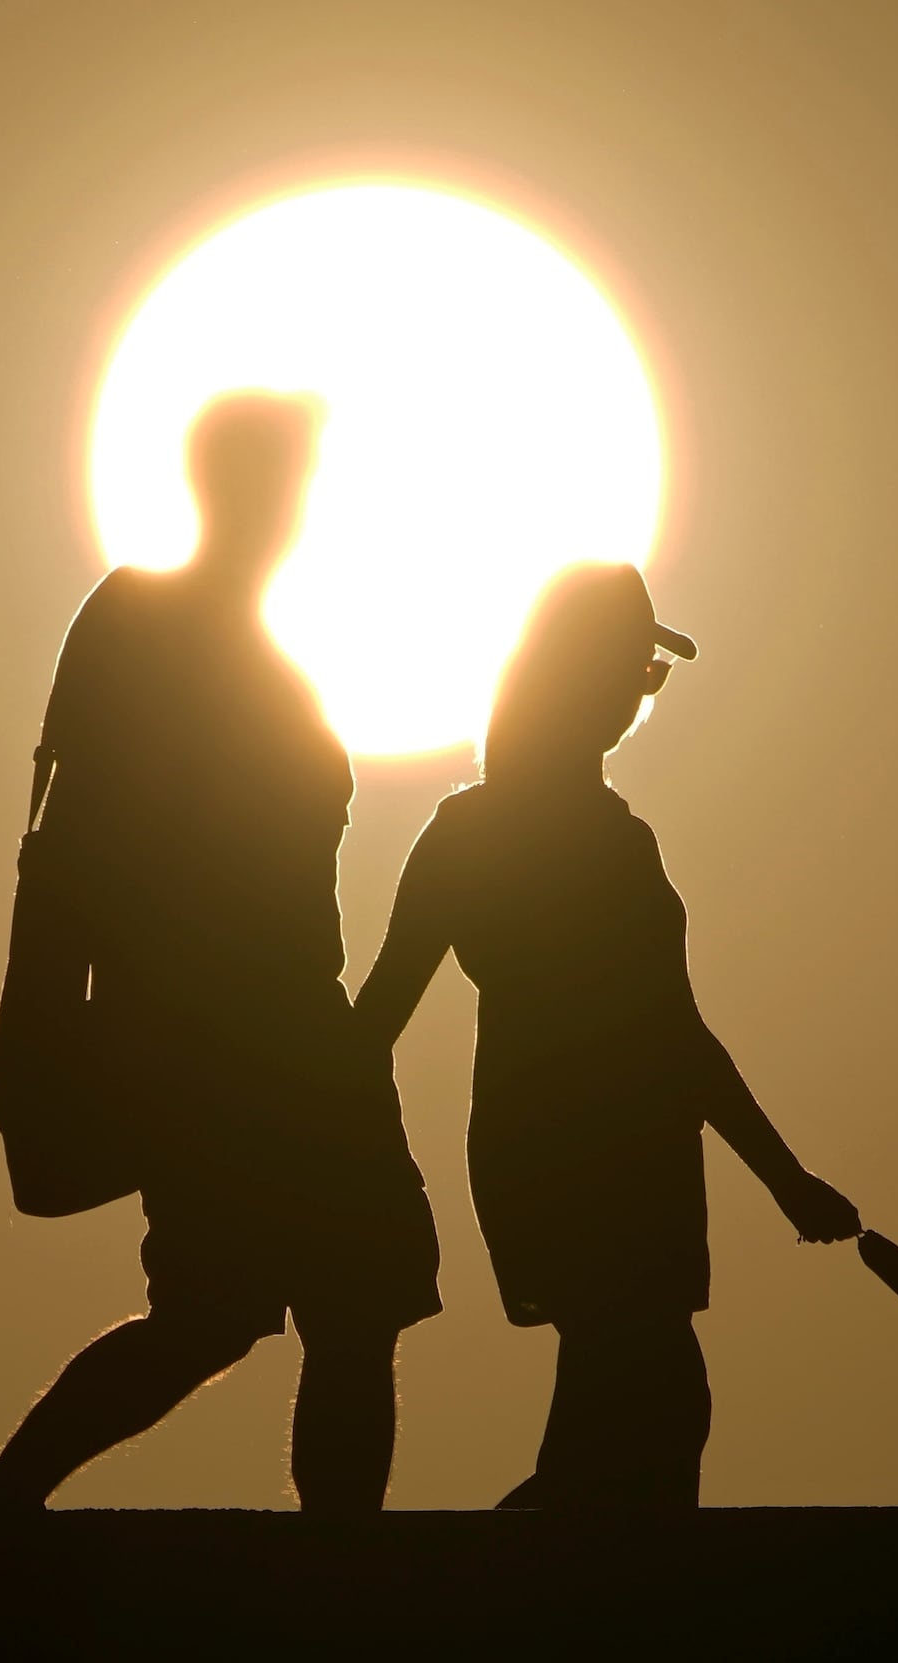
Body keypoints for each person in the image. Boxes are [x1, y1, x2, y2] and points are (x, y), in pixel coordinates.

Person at [0, 393, 443, 1513]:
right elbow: (67, 856)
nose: (287, 506)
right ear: (221, 485)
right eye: (275, 479)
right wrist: (52, 1031)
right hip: (217, 1029)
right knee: (236, 1309)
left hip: (295, 1024)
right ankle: (5, 1493)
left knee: (330, 1309)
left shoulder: (254, 648)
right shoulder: (147, 630)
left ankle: (327, 1560)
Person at [356, 564, 859, 1508]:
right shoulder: (601, 844)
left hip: (547, 1139)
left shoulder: (473, 829)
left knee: (636, 1399)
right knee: (648, 1400)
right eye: (635, 670)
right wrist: (785, 1177)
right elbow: (675, 1035)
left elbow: (373, 1021)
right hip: (602, 1149)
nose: (639, 693)